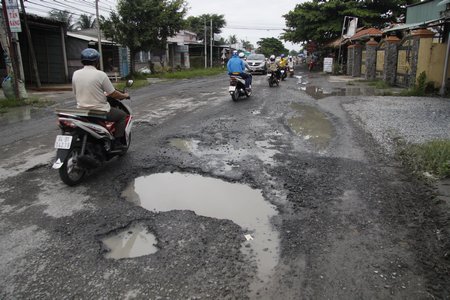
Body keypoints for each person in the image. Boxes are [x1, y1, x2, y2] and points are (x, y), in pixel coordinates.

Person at [72, 48, 129, 149]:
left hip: (81, 111)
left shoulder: (75, 74)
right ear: (97, 61)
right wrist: (125, 95)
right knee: (122, 116)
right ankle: (117, 143)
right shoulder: (101, 74)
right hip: (99, 111)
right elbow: (113, 93)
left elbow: (76, 92)